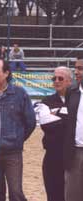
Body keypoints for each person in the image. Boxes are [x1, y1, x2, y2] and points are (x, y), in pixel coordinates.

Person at [0, 58, 36, 201]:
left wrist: (17, 138)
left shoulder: (19, 94)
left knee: (16, 192)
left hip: (12, 152)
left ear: (6, 73)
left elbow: (30, 122)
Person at [35, 66, 72, 201]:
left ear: (69, 81)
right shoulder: (46, 101)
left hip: (73, 155)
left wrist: (57, 113)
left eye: (60, 78)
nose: (56, 81)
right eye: (54, 78)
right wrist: (69, 118)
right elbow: (46, 124)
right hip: (52, 156)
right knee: (53, 195)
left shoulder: (78, 100)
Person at [63, 62, 83, 201]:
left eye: (81, 68)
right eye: (75, 68)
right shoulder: (71, 91)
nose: (76, 72)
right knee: (72, 195)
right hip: (75, 151)